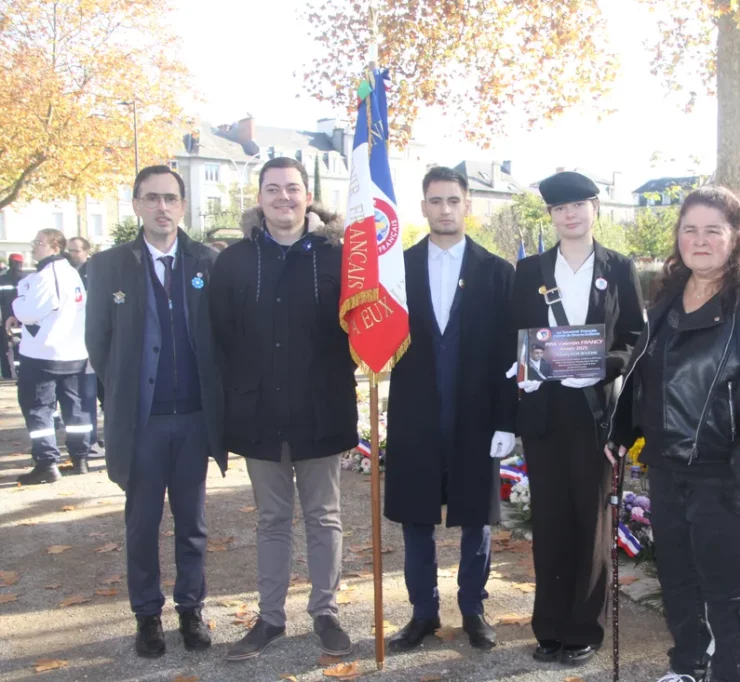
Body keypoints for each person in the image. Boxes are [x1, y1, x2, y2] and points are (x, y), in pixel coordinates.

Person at [606, 187, 740, 682]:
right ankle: (687, 666)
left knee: (729, 588)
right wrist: (623, 425)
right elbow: (647, 369)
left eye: (713, 230)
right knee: (678, 579)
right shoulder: (670, 292)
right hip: (668, 468)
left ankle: (734, 670)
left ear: (736, 237)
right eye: (690, 230)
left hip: (726, 473)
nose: (700, 240)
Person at [209, 156, 358, 661]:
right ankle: (270, 617)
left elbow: (359, 330)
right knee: (271, 520)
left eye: (292, 188)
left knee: (324, 517)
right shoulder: (233, 261)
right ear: (259, 198)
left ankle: (326, 613)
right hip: (259, 414)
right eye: (272, 189)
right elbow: (222, 339)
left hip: (322, 410)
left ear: (307, 195)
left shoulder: (339, 258)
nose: (283, 197)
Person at [85, 165, 225, 658]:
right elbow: (98, 343)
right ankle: (147, 616)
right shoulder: (108, 267)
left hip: (193, 420)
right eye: (152, 198)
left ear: (183, 205)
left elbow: (221, 338)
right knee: (142, 524)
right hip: (142, 423)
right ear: (136, 205)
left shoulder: (207, 261)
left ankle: (191, 609)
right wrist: (124, 396)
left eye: (170, 198)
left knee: (193, 524)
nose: (162, 207)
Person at [508, 171, 645, 666]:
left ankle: (584, 627)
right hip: (543, 408)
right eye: (560, 208)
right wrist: (521, 368)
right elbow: (513, 332)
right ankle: (549, 626)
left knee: (590, 522)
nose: (570, 215)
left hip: (594, 411)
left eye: (579, 205)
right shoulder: (529, 270)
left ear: (595, 209)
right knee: (548, 521)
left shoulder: (619, 267)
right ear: (551, 215)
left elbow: (635, 335)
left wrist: (603, 364)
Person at [384, 166, 517, 652]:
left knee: (475, 518)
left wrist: (507, 420)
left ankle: (473, 608)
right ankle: (423, 612)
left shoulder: (497, 273)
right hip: (416, 415)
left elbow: (510, 353)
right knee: (416, 518)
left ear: (467, 206)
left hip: (475, 416)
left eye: (453, 200)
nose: (445, 209)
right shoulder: (395, 271)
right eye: (436, 201)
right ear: (423, 207)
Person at [11, 230, 91, 484]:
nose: (34, 247)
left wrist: (18, 301)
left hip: (44, 353)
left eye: (39, 243)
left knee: (38, 408)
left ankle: (46, 462)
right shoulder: (70, 272)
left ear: (55, 247)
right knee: (75, 408)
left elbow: (28, 312)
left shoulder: (47, 275)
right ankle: (80, 457)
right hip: (73, 352)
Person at [68, 236, 99, 454]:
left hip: (92, 340)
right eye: (69, 250)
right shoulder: (66, 272)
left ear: (86, 251)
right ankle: (88, 441)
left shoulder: (94, 271)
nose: (72, 254)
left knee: (92, 394)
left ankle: (93, 440)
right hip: (74, 342)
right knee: (81, 394)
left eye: (76, 250)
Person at [0, 254, 26, 379]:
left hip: (9, 320)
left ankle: (9, 375)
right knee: (21, 347)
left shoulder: (2, 279)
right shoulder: (27, 279)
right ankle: (20, 373)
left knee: (7, 348)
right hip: (23, 319)